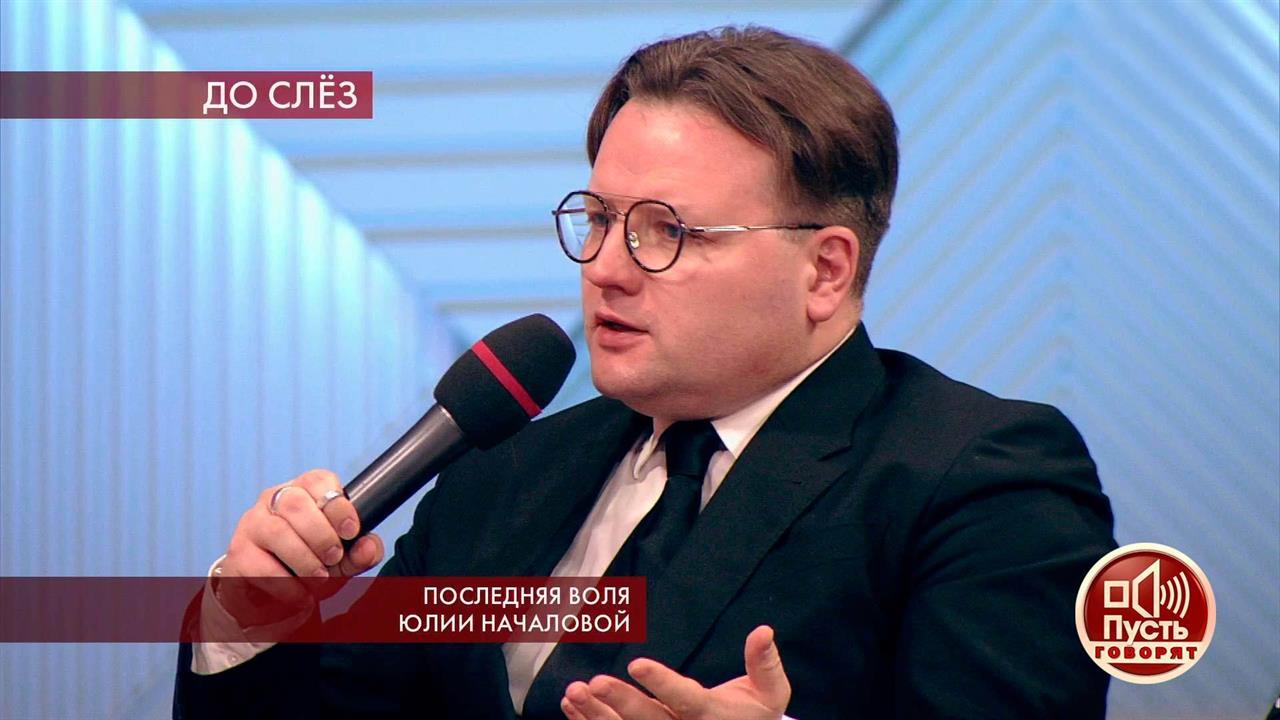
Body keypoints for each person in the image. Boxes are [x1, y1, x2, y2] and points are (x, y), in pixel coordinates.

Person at [174, 26, 1116, 719]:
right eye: (597, 219)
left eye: (668, 231)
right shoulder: (500, 475)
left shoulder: (978, 477)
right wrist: (251, 617)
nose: (606, 267)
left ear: (825, 270)